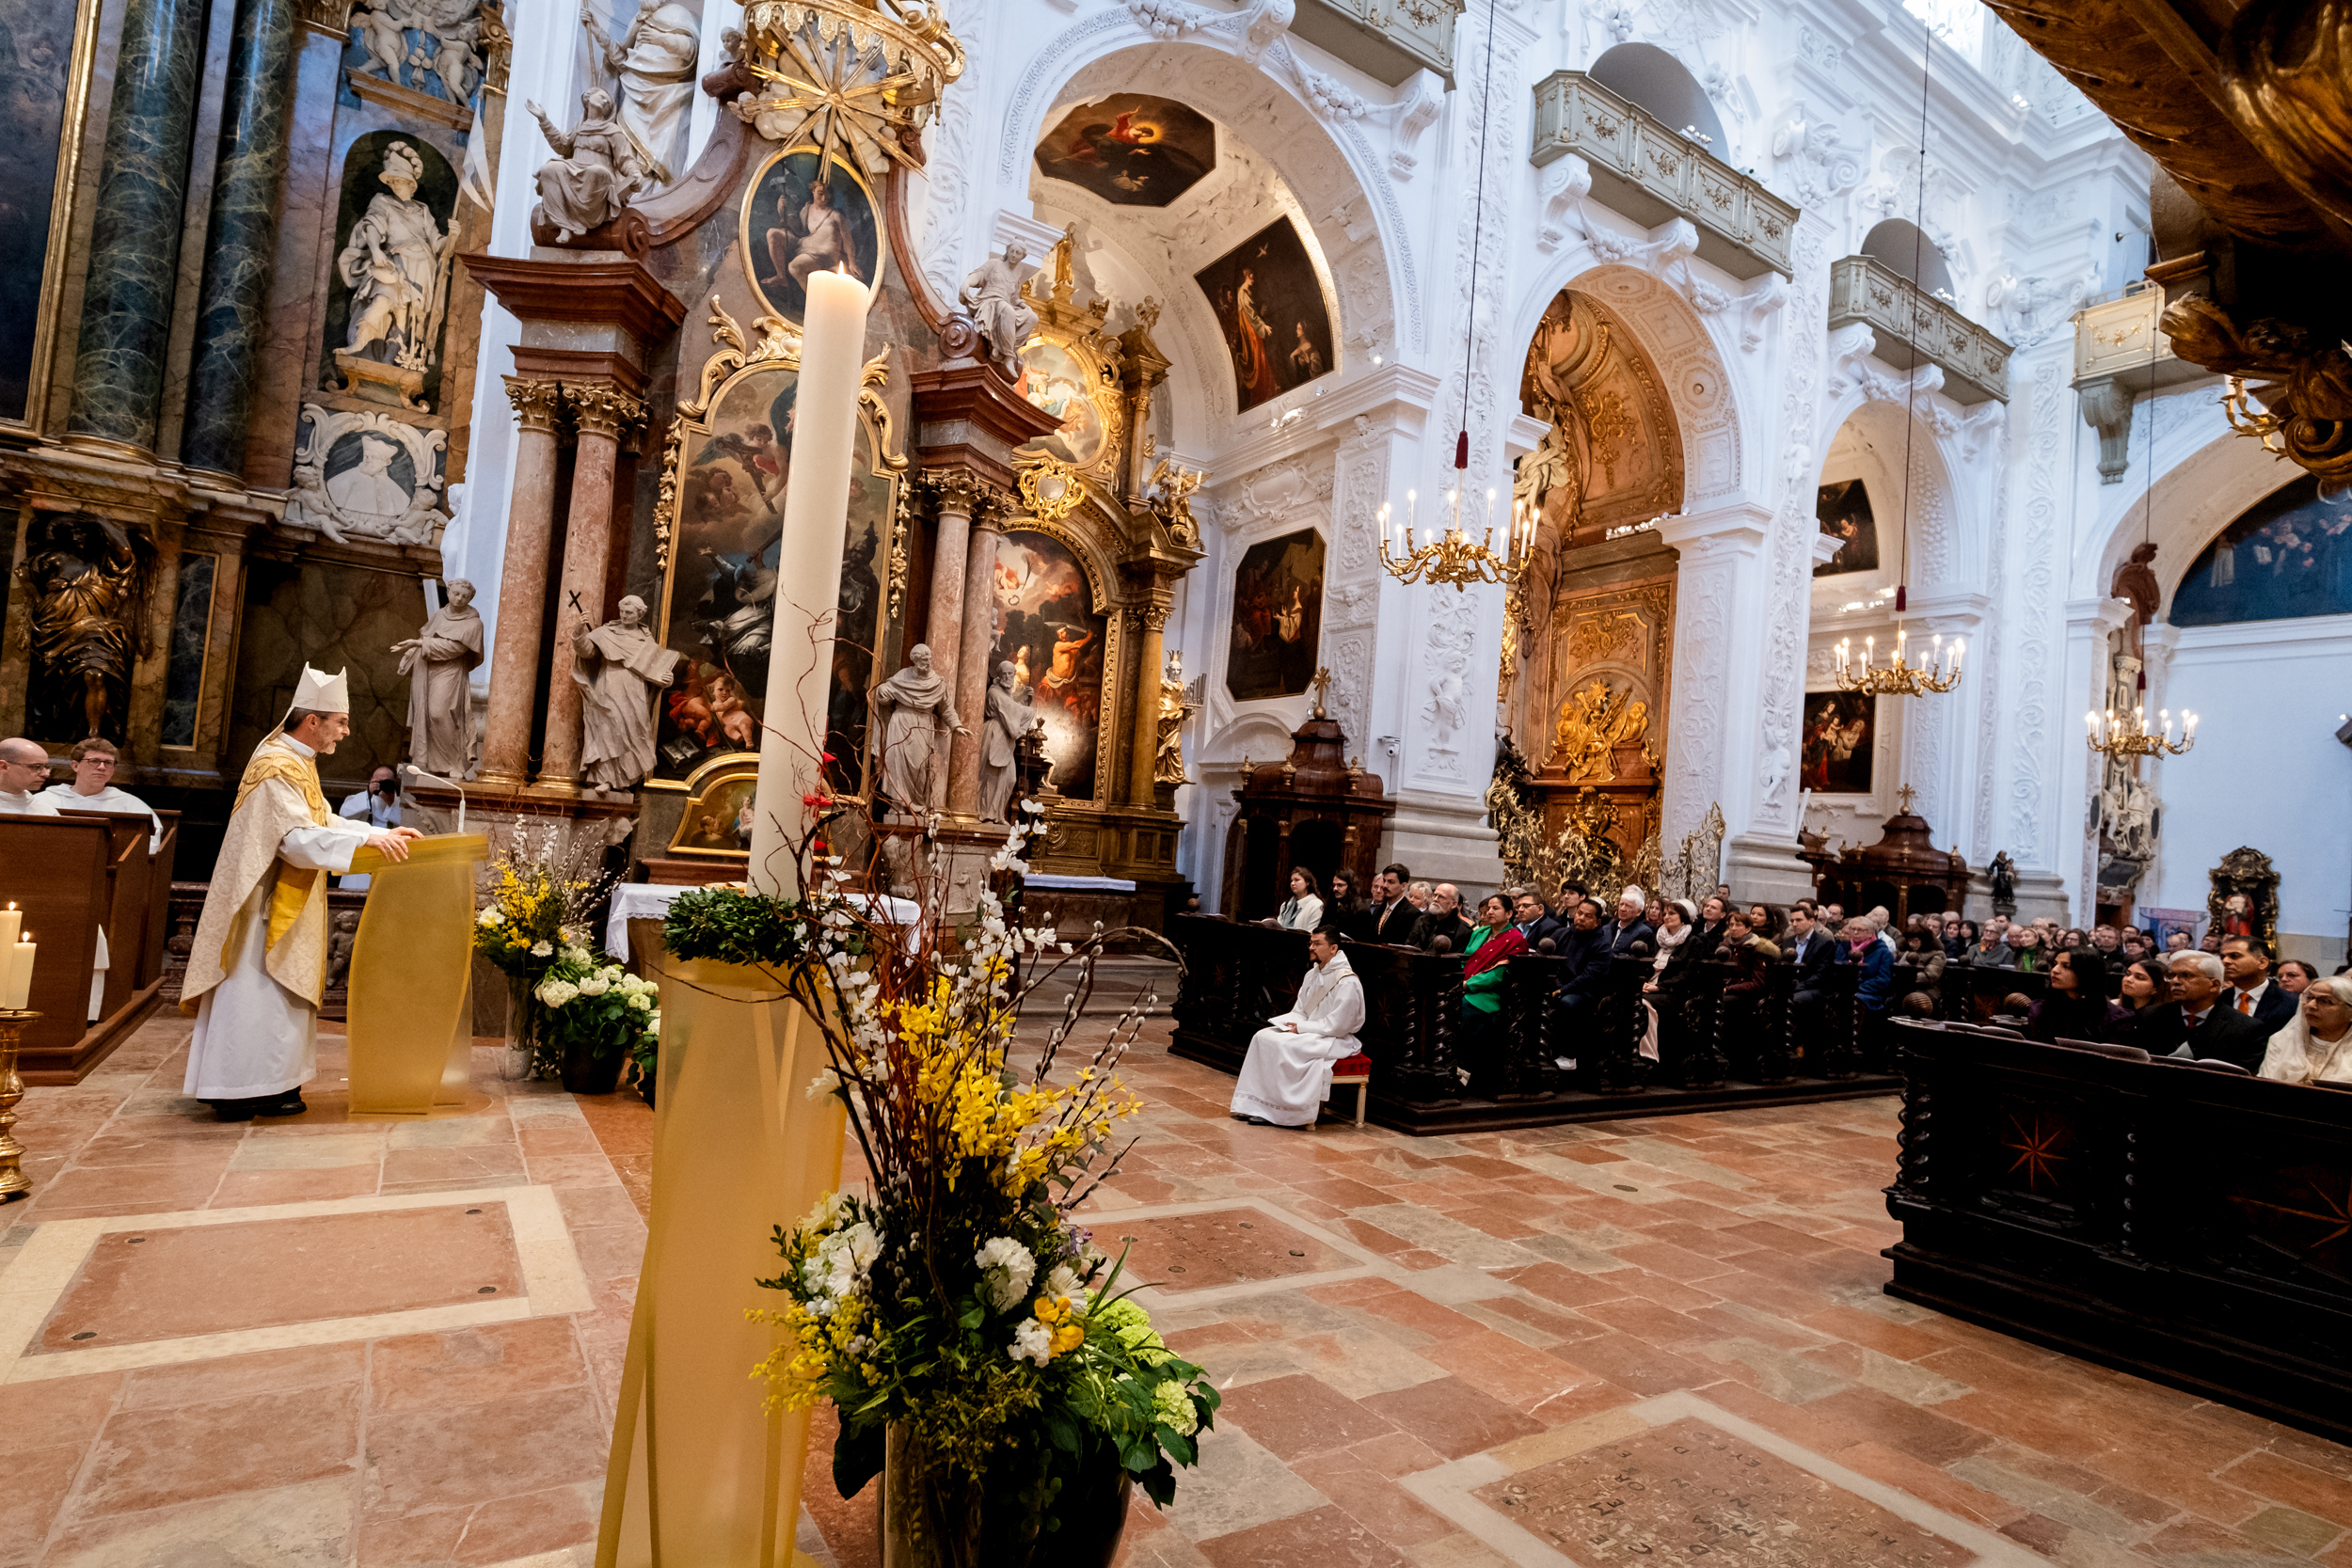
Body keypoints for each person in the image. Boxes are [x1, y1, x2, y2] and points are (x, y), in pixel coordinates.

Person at [182, 668, 420, 1120]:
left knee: (276, 999)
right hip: (263, 904)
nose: (346, 733)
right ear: (312, 721)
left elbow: (321, 820)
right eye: (341, 722)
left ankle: (273, 1085)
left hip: (285, 897)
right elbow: (293, 840)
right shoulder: (276, 766)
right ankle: (236, 1088)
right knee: (255, 993)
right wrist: (367, 842)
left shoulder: (297, 762)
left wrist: (376, 834)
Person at [1230, 927, 1363, 1127]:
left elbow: (1338, 1025)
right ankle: (1254, 1105)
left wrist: (1301, 1029)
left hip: (1334, 1038)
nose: (1311, 947)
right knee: (1262, 1037)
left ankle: (1280, 1111)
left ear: (1333, 948)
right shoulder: (1312, 974)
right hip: (1312, 1031)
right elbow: (1300, 1010)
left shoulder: (1347, 982)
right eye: (1311, 943)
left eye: (1317, 943)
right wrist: (1288, 1024)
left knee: (1285, 1045)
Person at [2127, 950, 2268, 1069]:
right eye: (2172, 975)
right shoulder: (2151, 1016)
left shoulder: (2246, 1029)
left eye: (2186, 975)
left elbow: (2242, 1081)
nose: (2175, 981)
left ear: (2214, 985)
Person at [38, 736, 161, 847]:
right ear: (75, 766)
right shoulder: (44, 801)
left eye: (108, 763)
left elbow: (149, 844)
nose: (102, 767)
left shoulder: (130, 805)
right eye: (94, 761)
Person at [1460, 895, 1526, 1065]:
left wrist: (1468, 985)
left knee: (1464, 1006)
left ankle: (1466, 1065)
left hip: (1491, 993)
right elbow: (1465, 960)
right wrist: (1458, 980)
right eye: (1488, 908)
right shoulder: (1480, 932)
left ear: (1509, 913)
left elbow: (1499, 974)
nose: (1489, 912)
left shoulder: (1515, 939)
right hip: (1462, 983)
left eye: (1495, 908)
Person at [2258, 975, 2352, 1085]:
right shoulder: (2282, 1040)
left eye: (2325, 1001)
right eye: (2309, 998)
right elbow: (2265, 1086)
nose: (2311, 1005)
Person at [2026, 950, 2129, 1044]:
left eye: (2066, 966)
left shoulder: (2115, 1017)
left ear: (2087, 973)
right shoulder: (2040, 1009)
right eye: (2055, 964)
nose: (2055, 970)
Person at [337, 764, 402, 894]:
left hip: (390, 849)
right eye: (377, 781)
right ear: (371, 781)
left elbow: (406, 822)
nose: (381, 785)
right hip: (365, 846)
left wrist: (391, 803)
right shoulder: (362, 798)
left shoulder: (400, 802)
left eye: (386, 781)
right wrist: (368, 794)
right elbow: (344, 814)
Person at [2219, 936, 2298, 1030]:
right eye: (2222, 957)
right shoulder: (2217, 999)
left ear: (2262, 963)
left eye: (2234, 956)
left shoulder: (2291, 1002)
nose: (2225, 961)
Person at [1845, 917, 1894, 1038]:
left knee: (1855, 1001)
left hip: (1869, 993)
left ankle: (1853, 1040)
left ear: (1870, 933)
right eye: (1853, 929)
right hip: (1845, 989)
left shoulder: (1882, 952)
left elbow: (1883, 979)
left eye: (1860, 930)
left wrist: (1858, 988)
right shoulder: (1844, 947)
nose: (1855, 932)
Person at [2109, 957, 2170, 1041]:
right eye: (2127, 974)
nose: (2128, 979)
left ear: (2156, 989)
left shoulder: (2165, 1019)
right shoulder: (2113, 1006)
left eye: (2139, 977)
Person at [0, 737, 59, 816]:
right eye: (36, 767)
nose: (46, 774)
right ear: (4, 766)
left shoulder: (46, 811)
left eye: (46, 767)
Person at [1360, 863, 1416, 944]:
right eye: (1384, 881)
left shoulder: (1412, 913)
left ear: (1403, 886)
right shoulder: (1379, 908)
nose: (1385, 885)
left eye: (1391, 882)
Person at [1407, 883, 1471, 954]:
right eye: (1435, 895)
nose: (1435, 899)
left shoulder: (1463, 931)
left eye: (1441, 897)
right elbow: (1408, 947)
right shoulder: (1421, 921)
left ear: (1454, 904)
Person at [1896, 930, 1945, 1009]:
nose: (1911, 944)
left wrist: (1910, 977)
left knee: (1914, 1002)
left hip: (1928, 989)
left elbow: (1930, 976)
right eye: (1909, 941)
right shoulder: (1906, 951)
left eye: (1915, 941)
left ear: (1923, 940)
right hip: (1905, 987)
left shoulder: (1937, 954)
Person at [1271, 866, 1323, 932]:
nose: (1292, 883)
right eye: (1291, 881)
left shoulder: (1316, 905)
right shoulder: (1286, 905)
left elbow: (1312, 932)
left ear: (1307, 882)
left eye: (1297, 880)